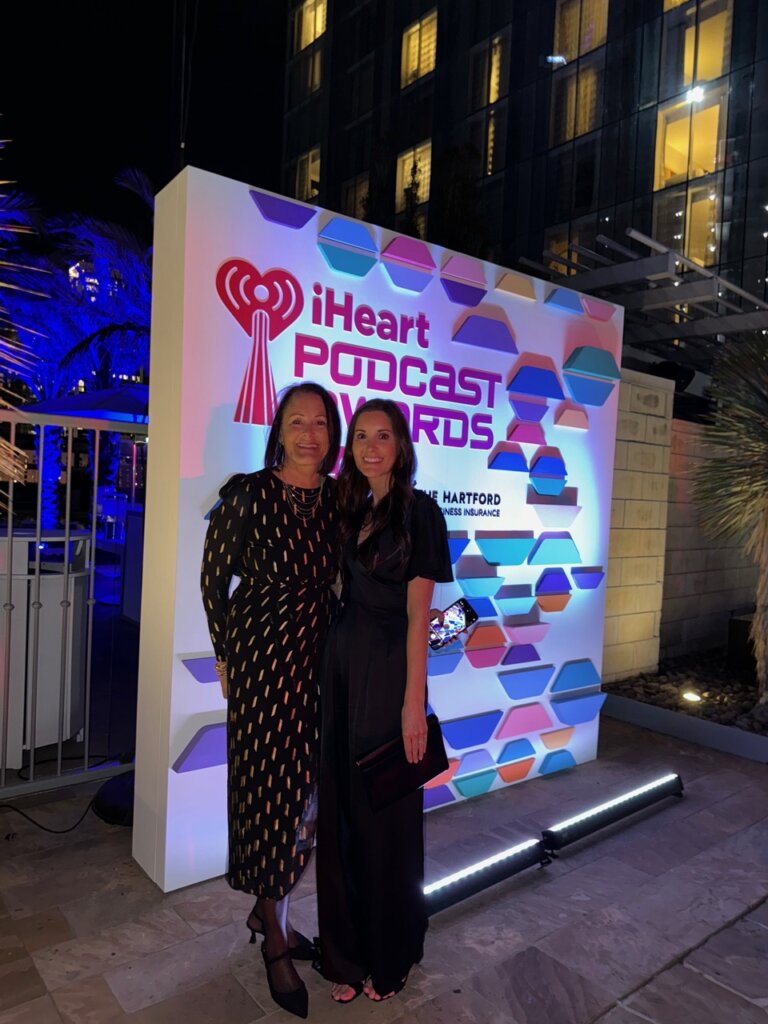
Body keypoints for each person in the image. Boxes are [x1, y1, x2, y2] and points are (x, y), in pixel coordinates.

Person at [201, 382, 341, 1020]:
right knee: (268, 794)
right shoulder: (249, 493)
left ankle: (267, 905)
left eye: (319, 423)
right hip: (261, 667)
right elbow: (213, 578)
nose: (309, 434)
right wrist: (228, 657)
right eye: (296, 422)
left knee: (307, 795)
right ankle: (277, 939)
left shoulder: (339, 498)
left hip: (319, 668)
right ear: (278, 430)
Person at [315, 397, 452, 1004]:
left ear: (402, 445)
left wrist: (411, 703)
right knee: (341, 811)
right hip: (340, 668)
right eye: (362, 436)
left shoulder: (421, 513)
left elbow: (419, 618)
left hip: (391, 668)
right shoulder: (346, 506)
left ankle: (388, 952)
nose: (372, 447)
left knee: (384, 818)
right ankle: (344, 955)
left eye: (385, 436)